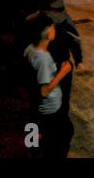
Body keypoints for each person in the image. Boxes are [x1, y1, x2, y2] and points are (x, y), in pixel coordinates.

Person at [24, 15, 74, 158]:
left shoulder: (30, 48)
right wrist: (62, 72)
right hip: (51, 108)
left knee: (35, 128)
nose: (54, 30)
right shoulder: (44, 58)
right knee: (65, 134)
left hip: (37, 107)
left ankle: (32, 149)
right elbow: (44, 91)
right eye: (52, 27)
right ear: (46, 33)